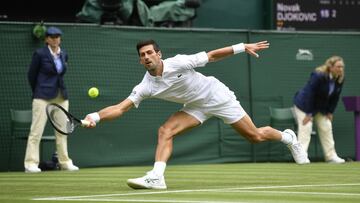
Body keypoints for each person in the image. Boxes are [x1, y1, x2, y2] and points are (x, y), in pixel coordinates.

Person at [84, 39, 309, 189]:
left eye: (150, 52)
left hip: (217, 96)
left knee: (255, 136)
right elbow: (120, 108)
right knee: (165, 130)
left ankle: (288, 138)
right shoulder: (146, 86)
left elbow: (211, 56)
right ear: (140, 60)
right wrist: (95, 116)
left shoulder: (178, 62)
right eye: (142, 55)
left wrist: (242, 47)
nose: (146, 57)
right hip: (195, 106)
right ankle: (157, 176)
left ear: (158, 54)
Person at [25, 27, 79, 173]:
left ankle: (65, 162)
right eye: (52, 36)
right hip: (42, 96)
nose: (55, 39)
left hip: (61, 96)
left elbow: (60, 74)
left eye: (57, 36)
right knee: (36, 131)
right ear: (46, 39)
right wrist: (39, 90)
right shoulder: (40, 54)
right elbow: (31, 75)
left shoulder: (64, 54)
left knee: (63, 131)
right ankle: (30, 163)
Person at [293, 56, 345, 164]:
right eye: (338, 66)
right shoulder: (318, 75)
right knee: (306, 127)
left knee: (326, 126)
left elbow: (335, 97)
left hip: (320, 107)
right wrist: (308, 113)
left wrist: (330, 111)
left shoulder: (340, 79)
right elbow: (310, 94)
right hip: (304, 105)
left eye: (342, 67)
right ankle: (302, 157)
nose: (340, 69)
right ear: (330, 67)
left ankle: (331, 156)